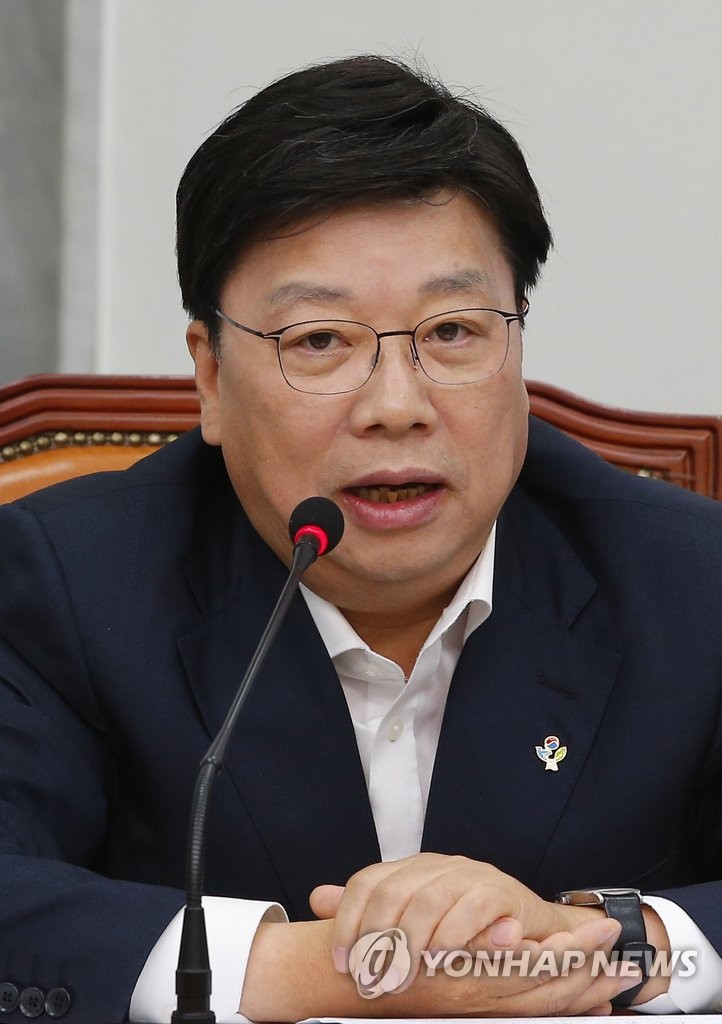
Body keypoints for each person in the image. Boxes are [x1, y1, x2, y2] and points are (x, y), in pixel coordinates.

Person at [1, 55, 722, 1024]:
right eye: (319, 341)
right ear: (209, 377)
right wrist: (336, 971)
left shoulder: (690, 580)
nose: (396, 405)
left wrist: (613, 944)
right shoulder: (64, 583)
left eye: (453, 331)